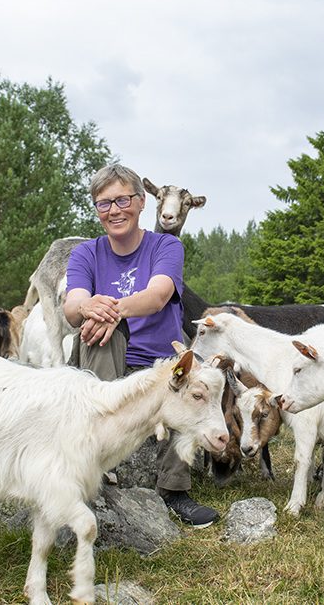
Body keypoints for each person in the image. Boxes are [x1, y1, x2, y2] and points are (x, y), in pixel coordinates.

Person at [62, 163, 219, 528]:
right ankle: (93, 474)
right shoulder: (86, 253)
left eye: (123, 200)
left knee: (184, 378)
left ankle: (174, 490)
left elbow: (158, 294)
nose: (114, 210)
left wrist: (111, 309)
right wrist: (88, 307)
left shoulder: (165, 246)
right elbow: (73, 307)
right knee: (100, 328)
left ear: (140, 203)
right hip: (100, 362)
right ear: (97, 210)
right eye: (104, 203)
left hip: (156, 364)